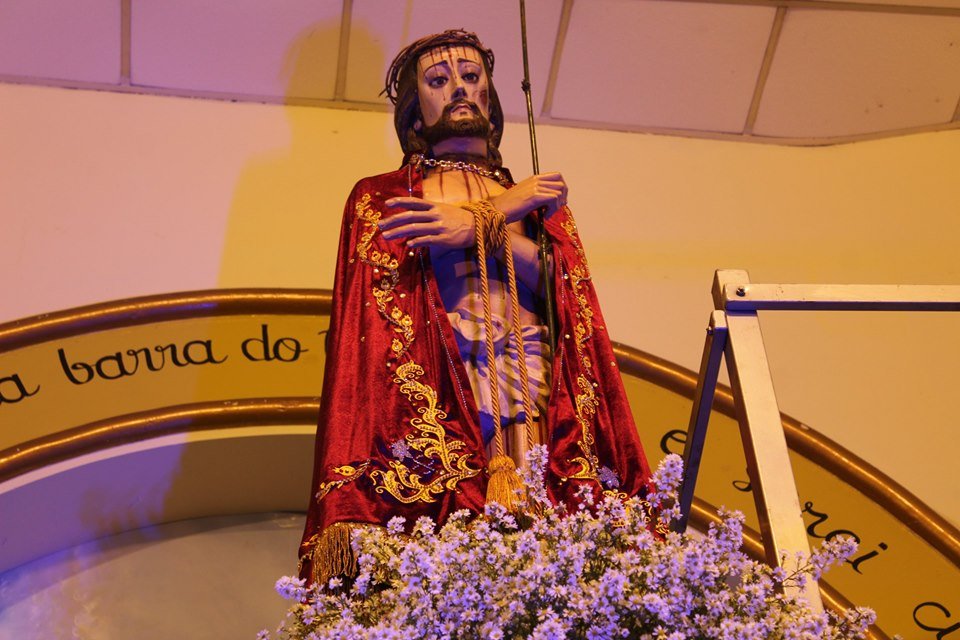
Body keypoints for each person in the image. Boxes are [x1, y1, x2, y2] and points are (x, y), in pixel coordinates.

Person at [298, 29, 652, 586]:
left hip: (529, 368)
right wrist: (501, 209)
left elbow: (568, 295)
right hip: (446, 374)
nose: (459, 88)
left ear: (490, 97)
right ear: (415, 111)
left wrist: (482, 225)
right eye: (438, 80)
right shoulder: (384, 195)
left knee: (534, 510)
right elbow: (381, 300)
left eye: (471, 76)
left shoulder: (537, 202)